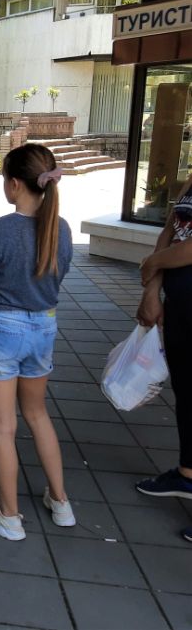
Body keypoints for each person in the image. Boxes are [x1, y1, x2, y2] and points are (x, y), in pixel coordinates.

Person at [0, 144, 75, 540]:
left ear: (14, 184)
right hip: (44, 328)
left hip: (3, 330)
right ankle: (61, 502)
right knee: (38, 414)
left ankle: (9, 516)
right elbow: (54, 282)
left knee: (2, 426)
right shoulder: (60, 228)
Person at [135, 174, 192, 543]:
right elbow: (170, 232)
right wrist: (153, 287)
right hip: (180, 307)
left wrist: (154, 262)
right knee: (186, 394)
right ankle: (187, 476)